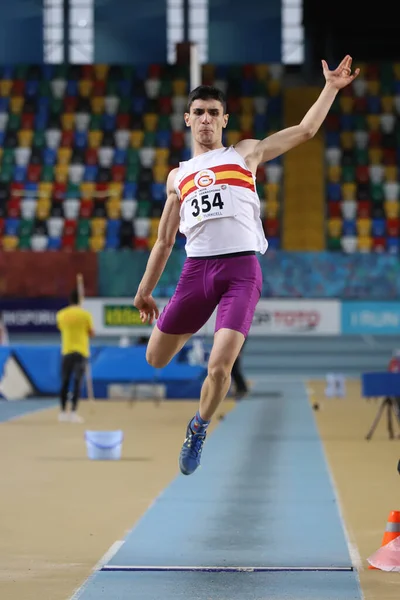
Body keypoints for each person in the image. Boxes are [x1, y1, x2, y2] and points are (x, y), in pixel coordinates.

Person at [133, 55, 359, 475]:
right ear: (187, 119)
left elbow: (306, 130)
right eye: (198, 113)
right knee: (155, 358)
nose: (205, 119)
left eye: (213, 113)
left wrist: (330, 87)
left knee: (220, 366)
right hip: (196, 272)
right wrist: (145, 290)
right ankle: (195, 403)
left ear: (224, 120)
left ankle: (199, 428)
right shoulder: (177, 176)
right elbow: (165, 240)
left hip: (241, 271)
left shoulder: (246, 154)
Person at [56, 290, 95, 422]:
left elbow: (61, 328)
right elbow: (91, 333)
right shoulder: (85, 315)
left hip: (66, 351)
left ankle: (62, 412)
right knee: (77, 382)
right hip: (81, 352)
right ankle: (73, 412)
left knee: (65, 382)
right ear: (80, 301)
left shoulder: (61, 314)